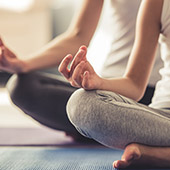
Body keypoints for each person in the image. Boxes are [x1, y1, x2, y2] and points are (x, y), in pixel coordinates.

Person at [0, 0, 162, 141]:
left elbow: (135, 86)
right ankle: (101, 130)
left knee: (90, 107)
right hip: (107, 87)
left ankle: (98, 130)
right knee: (22, 86)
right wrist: (23, 64)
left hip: (154, 93)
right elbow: (78, 35)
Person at [59, 0, 170, 168]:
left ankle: (163, 155)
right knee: (82, 103)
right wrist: (98, 81)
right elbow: (134, 85)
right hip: (162, 115)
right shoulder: (155, 3)